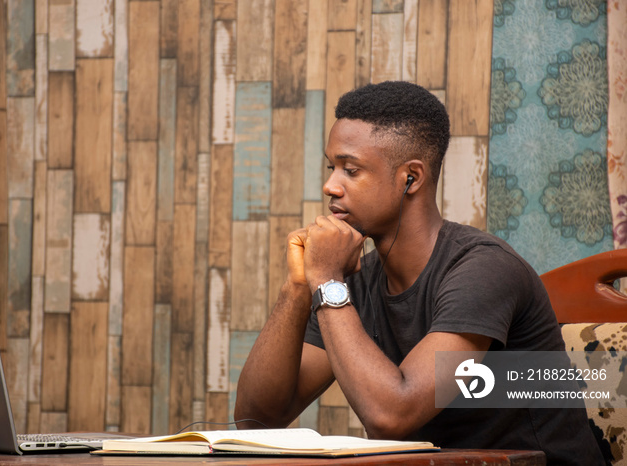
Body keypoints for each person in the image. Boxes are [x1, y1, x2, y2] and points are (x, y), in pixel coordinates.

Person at [234, 81, 605, 465]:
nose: (330, 185)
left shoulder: (484, 269)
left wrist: (327, 281)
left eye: (351, 169)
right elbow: (256, 420)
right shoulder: (355, 280)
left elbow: (392, 416)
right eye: (332, 168)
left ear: (410, 177)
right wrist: (299, 286)